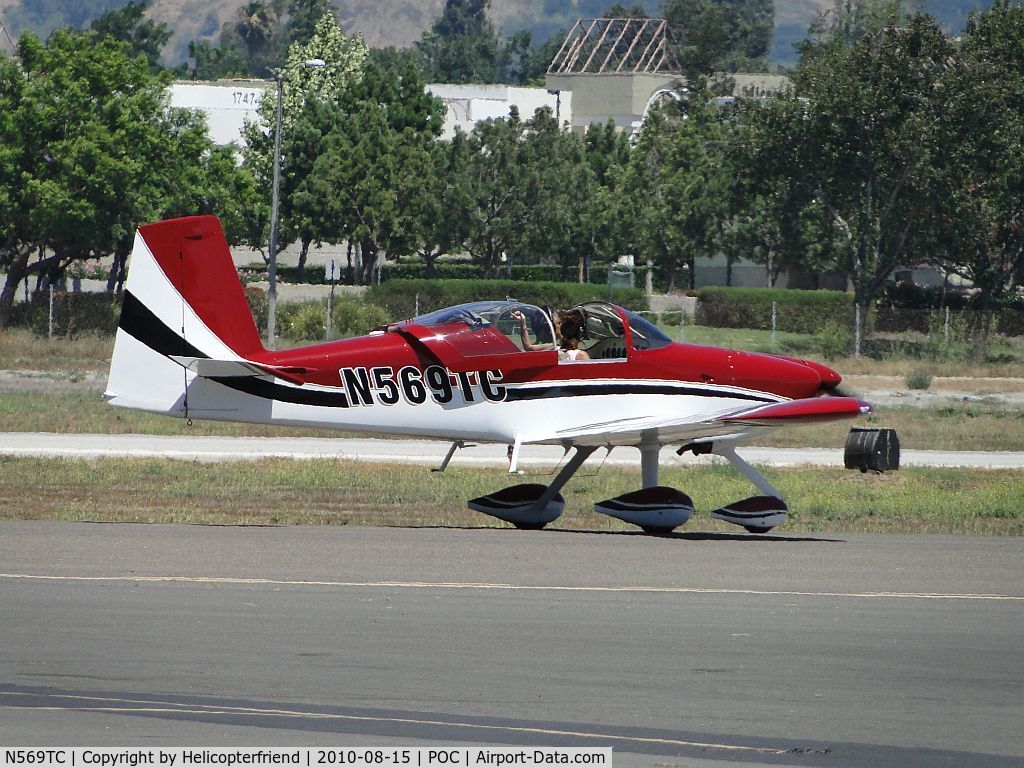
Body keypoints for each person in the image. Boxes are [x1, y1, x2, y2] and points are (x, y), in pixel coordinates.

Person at [512, 308, 590, 361]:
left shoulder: (553, 347)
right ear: (580, 334)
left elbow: (528, 347)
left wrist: (523, 323)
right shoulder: (581, 356)